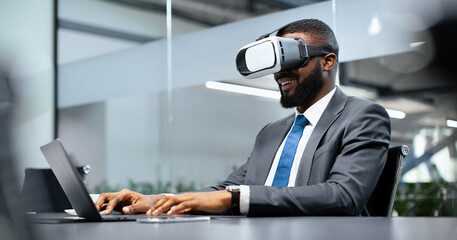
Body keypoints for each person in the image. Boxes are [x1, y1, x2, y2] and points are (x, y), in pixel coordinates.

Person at [95, 18, 391, 217]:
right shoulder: (271, 133)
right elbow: (223, 191)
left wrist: (235, 199)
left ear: (328, 61)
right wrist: (156, 200)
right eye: (277, 62)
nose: (280, 72)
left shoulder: (362, 116)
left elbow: (344, 197)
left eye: (291, 58)